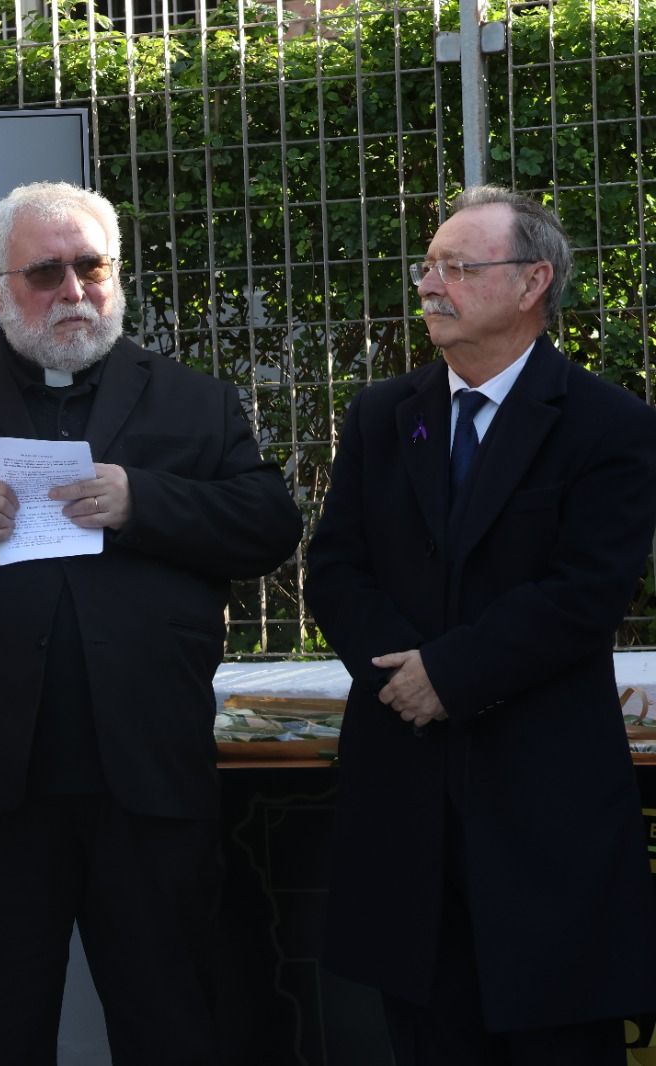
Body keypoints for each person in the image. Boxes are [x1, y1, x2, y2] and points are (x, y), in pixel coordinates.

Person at [0, 180, 302, 1065]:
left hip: (148, 776)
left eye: (92, 267)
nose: (74, 291)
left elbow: (271, 523)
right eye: (46, 272)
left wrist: (142, 501)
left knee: (173, 1023)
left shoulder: (191, 402)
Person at [306, 185, 656, 1064]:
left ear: (534, 281)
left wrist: (451, 676)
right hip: (405, 798)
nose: (430, 284)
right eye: (429, 265)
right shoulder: (384, 415)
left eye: (458, 267)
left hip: (541, 806)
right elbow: (335, 568)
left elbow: (587, 591)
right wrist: (403, 676)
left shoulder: (608, 424)